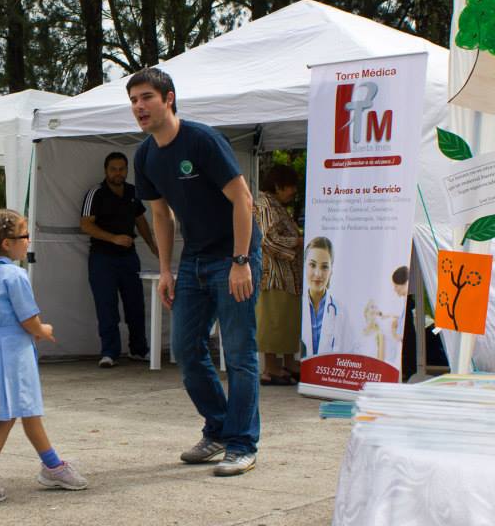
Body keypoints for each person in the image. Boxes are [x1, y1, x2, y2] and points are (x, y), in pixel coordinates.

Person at [129, 67, 263, 477]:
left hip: (233, 257)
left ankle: (242, 444)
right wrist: (166, 269)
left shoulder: (201, 140)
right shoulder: (146, 155)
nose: (139, 107)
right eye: (134, 100)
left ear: (168, 98)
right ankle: (220, 427)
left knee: (238, 355)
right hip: (194, 262)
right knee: (186, 351)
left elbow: (243, 200)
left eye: (146, 97)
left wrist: (241, 261)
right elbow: (160, 214)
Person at [0, 210, 88, 503]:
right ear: (7, 243)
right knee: (6, 417)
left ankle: (53, 465)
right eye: (24, 235)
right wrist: (44, 329)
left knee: (28, 411)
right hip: (13, 352)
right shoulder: (14, 275)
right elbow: (28, 319)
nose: (28, 241)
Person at [80, 152, 157, 368]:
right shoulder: (95, 193)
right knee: (107, 306)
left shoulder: (133, 192)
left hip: (129, 257)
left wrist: (153, 246)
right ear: (106, 171)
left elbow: (140, 220)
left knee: (135, 305)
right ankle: (109, 353)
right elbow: (85, 224)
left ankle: (139, 350)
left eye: (122, 169)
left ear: (127, 170)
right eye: (113, 169)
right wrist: (113, 238)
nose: (118, 173)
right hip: (102, 258)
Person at [253, 164, 302, 386]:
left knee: (287, 321)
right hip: (273, 275)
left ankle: (290, 363)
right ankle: (270, 368)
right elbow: (267, 240)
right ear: (278, 185)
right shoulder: (265, 205)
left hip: (288, 277)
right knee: (272, 322)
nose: (293, 191)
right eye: (291, 186)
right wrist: (297, 242)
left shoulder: (277, 206)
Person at [302, 236, 342, 358]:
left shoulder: (341, 312)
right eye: (312, 265)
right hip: (301, 373)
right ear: (304, 266)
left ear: (331, 270)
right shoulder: (296, 307)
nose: (318, 273)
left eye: (324, 267)